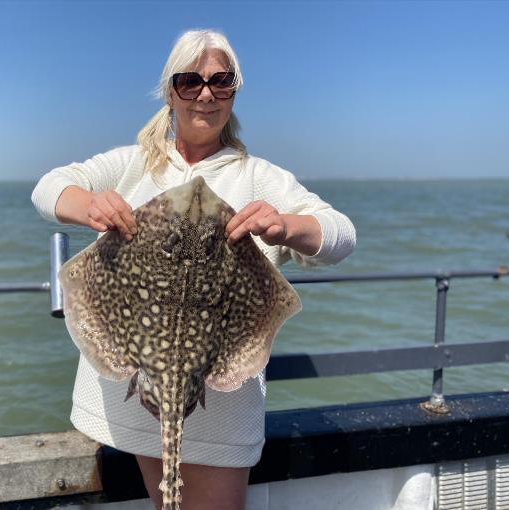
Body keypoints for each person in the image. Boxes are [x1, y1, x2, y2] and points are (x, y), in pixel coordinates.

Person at [32, 29, 356, 510]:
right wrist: (89, 205)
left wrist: (285, 225)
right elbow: (49, 188)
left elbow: (341, 235)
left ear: (234, 90)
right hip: (135, 388)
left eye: (221, 82)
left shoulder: (259, 178)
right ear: (171, 91)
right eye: (191, 81)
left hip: (224, 409)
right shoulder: (131, 165)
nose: (206, 94)